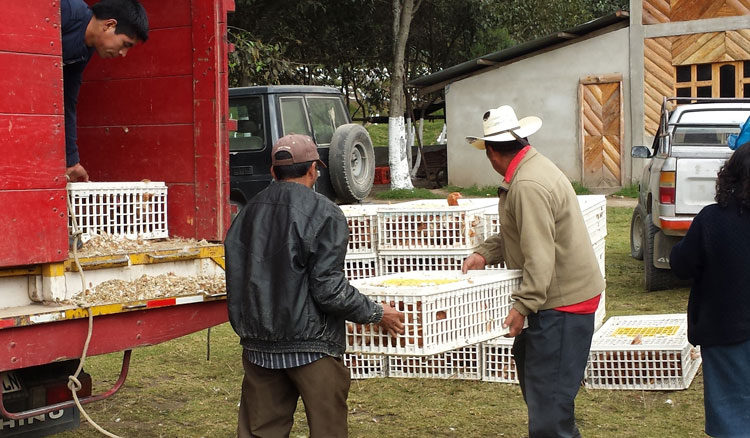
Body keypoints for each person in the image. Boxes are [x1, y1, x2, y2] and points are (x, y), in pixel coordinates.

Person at [224, 134, 405, 438]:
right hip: (311, 348)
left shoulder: (245, 214)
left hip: (258, 349)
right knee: (328, 432)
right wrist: (376, 313)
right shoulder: (325, 213)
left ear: (273, 172)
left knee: (260, 432)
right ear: (313, 171)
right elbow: (329, 289)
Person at [461, 105, 605, 437]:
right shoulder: (532, 169)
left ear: (493, 152)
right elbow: (520, 235)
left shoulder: (528, 185)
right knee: (545, 396)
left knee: (550, 412)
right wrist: (484, 253)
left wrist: (521, 307)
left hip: (563, 303)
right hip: (560, 299)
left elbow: (539, 258)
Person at [670, 140, 750, 437]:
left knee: (732, 414)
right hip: (729, 331)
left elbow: (681, 264)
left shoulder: (713, 219)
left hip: (726, 331)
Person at [62, 0, 149, 182]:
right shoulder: (66, 9)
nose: (123, 54)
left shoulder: (84, 52)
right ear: (109, 25)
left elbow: (67, 101)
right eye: (125, 44)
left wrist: (72, 161)